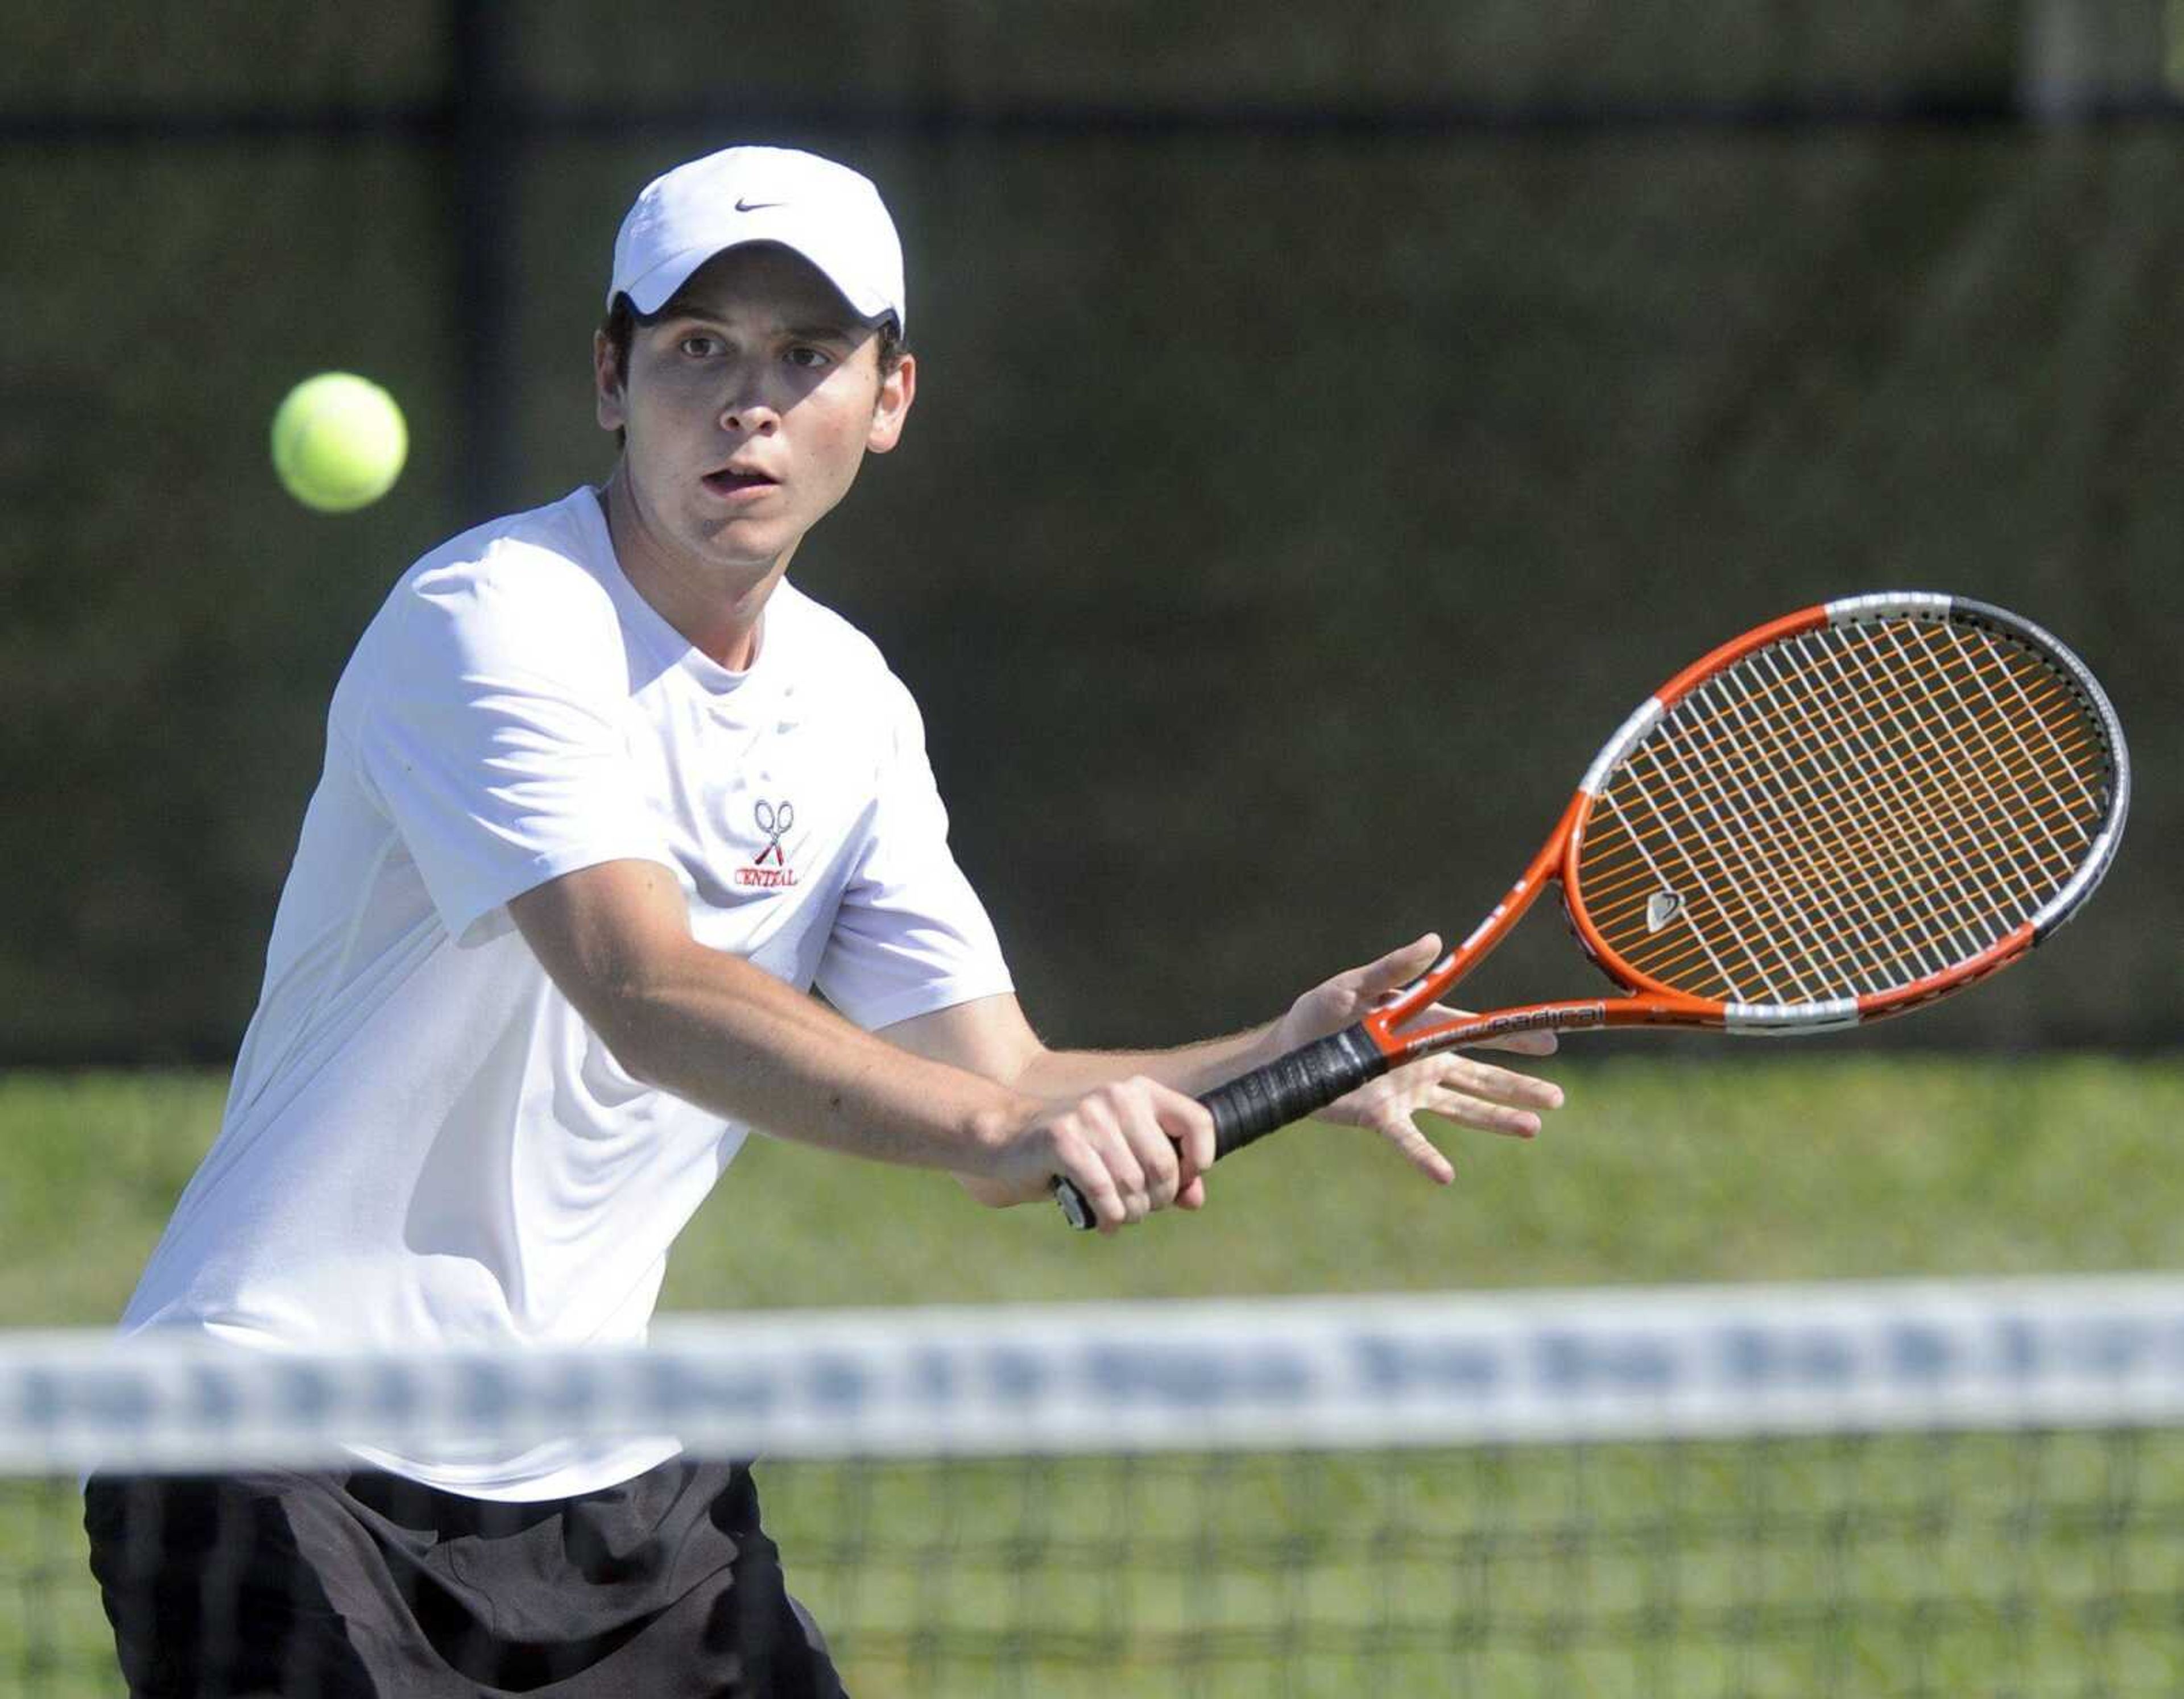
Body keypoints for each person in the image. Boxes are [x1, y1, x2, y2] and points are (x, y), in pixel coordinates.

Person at [84, 144, 1565, 1696]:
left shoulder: (850, 704)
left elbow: (1007, 1064)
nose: (750, 401)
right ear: (612, 373)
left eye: (808, 355)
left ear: (891, 397)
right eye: (698, 348)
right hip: (264, 1449)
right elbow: (643, 984)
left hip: (601, 1481)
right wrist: (988, 1127)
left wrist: (1289, 1052)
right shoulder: (494, 622)